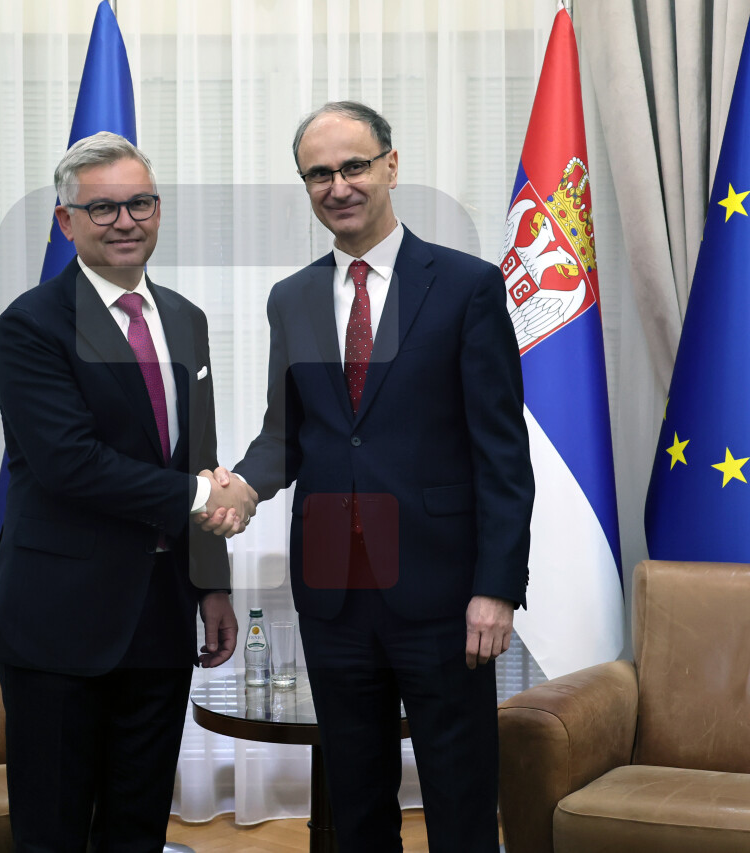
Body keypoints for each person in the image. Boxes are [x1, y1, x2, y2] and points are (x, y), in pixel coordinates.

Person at [205, 102, 534, 851]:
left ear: (391, 164)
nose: (338, 185)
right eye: (318, 174)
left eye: (353, 166)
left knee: (460, 797)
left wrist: (496, 588)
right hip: (333, 593)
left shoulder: (466, 286)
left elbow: (503, 456)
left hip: (443, 592)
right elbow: (287, 433)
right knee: (354, 803)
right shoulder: (291, 298)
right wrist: (243, 487)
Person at [0, 131, 257, 853]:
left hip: (160, 615)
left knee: (138, 826)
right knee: (55, 831)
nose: (125, 221)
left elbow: (196, 456)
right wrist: (203, 497)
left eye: (140, 203)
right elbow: (70, 464)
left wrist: (210, 585)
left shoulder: (185, 318)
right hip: (58, 621)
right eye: (102, 208)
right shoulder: (31, 324)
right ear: (65, 222)